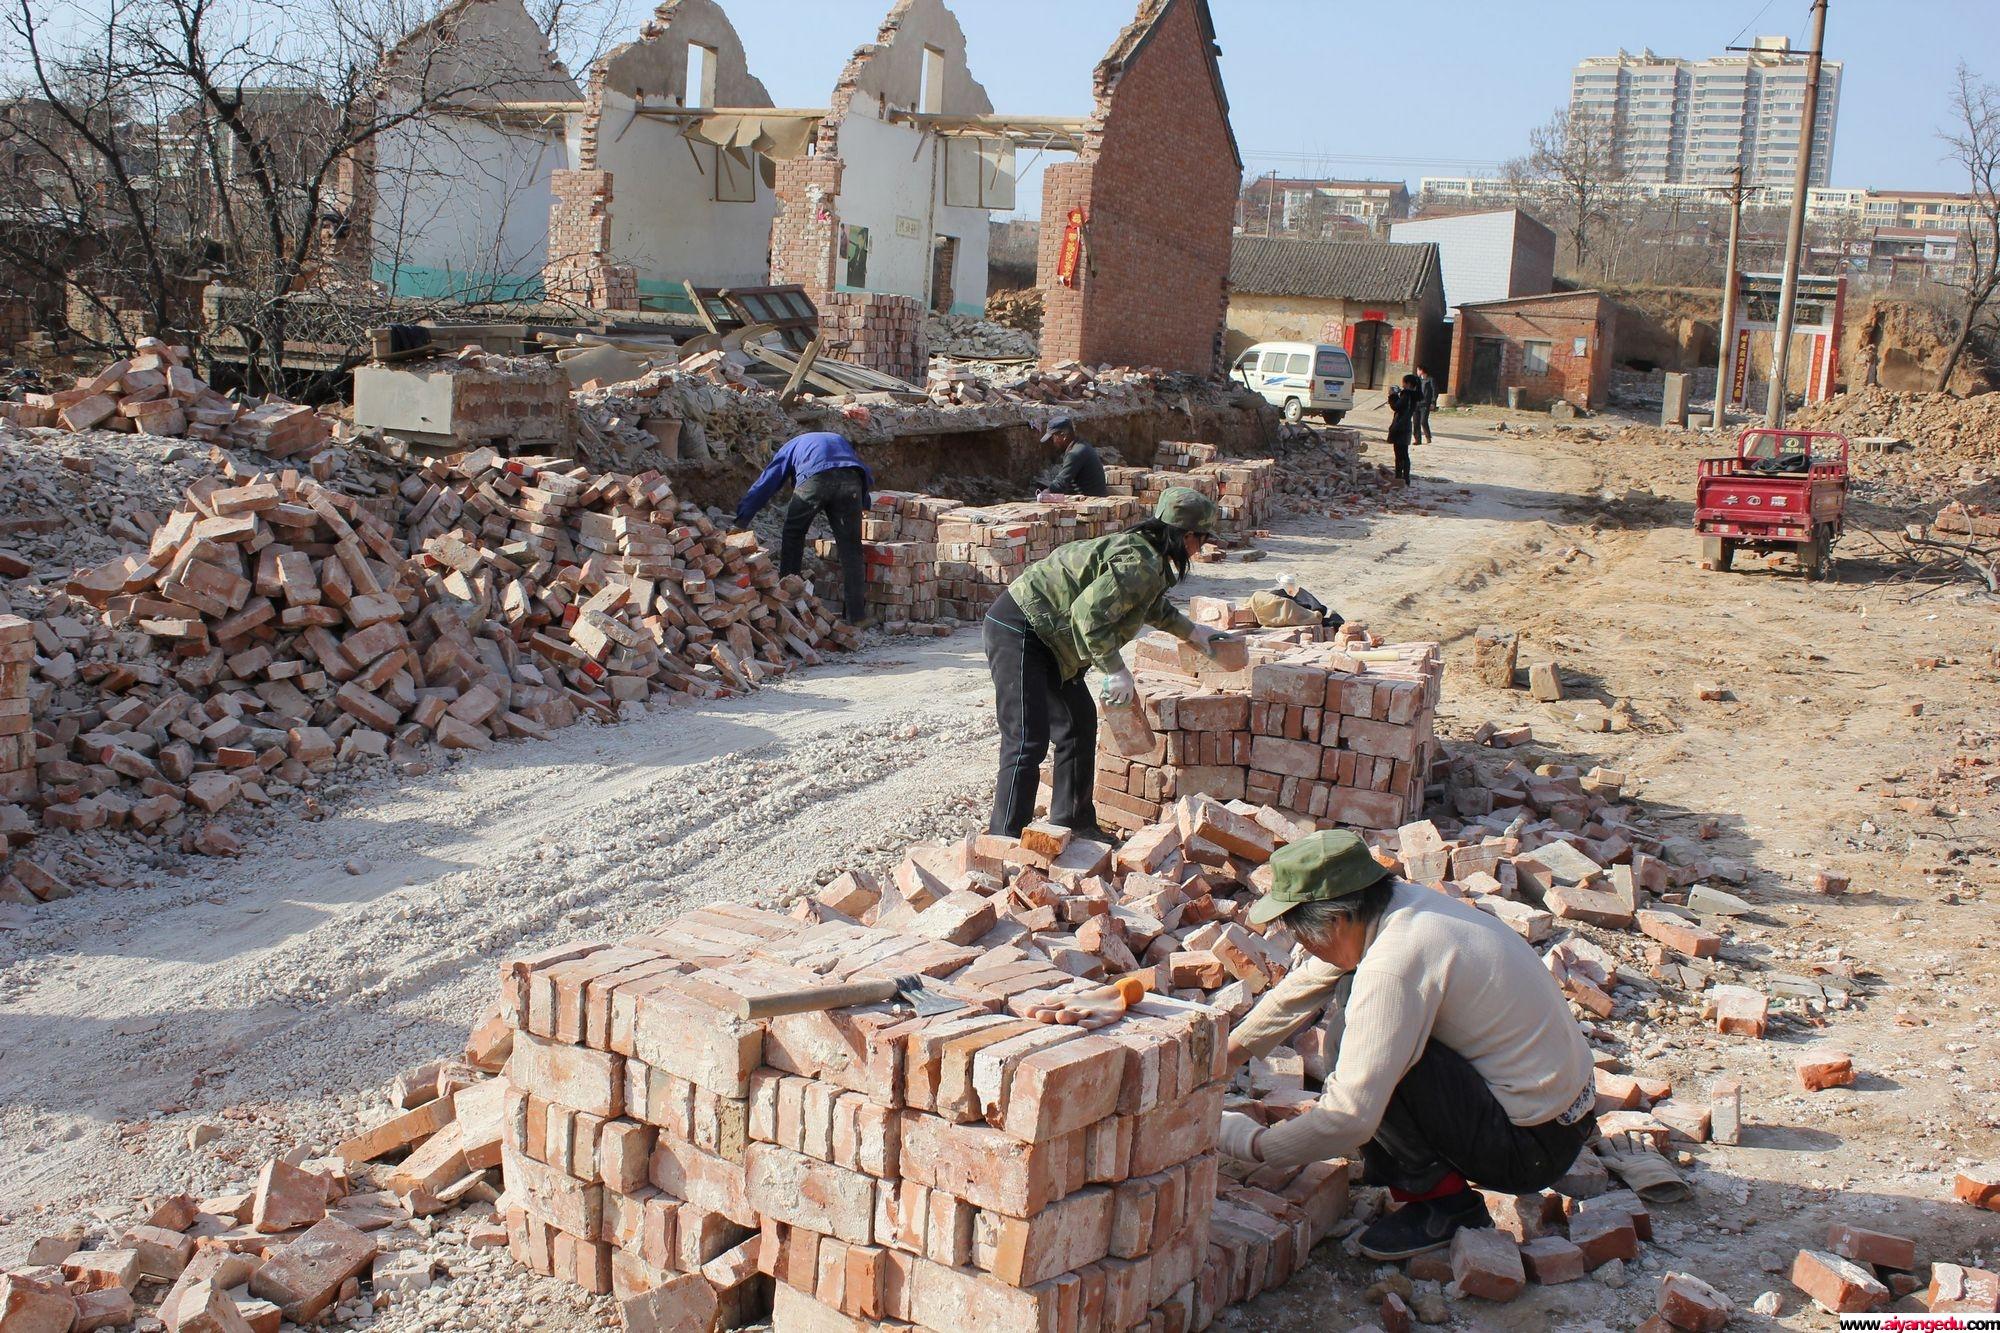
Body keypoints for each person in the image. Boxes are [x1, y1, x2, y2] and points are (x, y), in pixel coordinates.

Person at [1217, 830, 1597, 1261]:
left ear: (1337, 919)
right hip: (1572, 1111)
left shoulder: (1393, 964)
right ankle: (1424, 1169)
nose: (1305, 948)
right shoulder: (1400, 907)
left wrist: (1253, 1145)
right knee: (1353, 1001)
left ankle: (1446, 1207)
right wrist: (1229, 1053)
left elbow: (1350, 1117)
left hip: (1533, 1149)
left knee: (1356, 1040)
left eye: (1304, 936)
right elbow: (1312, 979)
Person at [984, 487, 1232, 838]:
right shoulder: (1140, 561)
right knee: (1027, 738)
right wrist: (1115, 669)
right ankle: (1003, 843)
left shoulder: (1150, 559)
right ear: (1188, 535)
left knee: (1078, 724)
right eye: (1202, 540)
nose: (1201, 548)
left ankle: (1075, 824)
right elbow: (1088, 616)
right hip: (1021, 627)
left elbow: (1148, 605)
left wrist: (1193, 632)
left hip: (1052, 638)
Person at [735, 430, 873, 626]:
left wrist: (742, 520)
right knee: (851, 548)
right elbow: (859, 470)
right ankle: (857, 616)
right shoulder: (839, 440)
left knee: (794, 534)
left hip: (815, 479)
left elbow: (767, 483)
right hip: (851, 482)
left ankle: (788, 602)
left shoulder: (790, 447)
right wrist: (864, 503)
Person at [1040, 415, 1108, 498]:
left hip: (1091, 503)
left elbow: (1060, 484)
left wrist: (1044, 493)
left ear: (1064, 436)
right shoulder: (1082, 446)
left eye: (1053, 437)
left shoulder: (1075, 454)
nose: (1053, 442)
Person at [1386, 374, 1421, 485]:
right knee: (1404, 454)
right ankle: (1405, 478)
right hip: (1406, 426)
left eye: (1404, 383)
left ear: (1408, 384)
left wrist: (1392, 396)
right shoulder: (1414, 396)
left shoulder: (1406, 395)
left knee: (1399, 455)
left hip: (1400, 426)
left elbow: (1396, 407)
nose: (1403, 385)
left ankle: (1399, 477)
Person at [1415, 365, 1439, 444]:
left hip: (1425, 404)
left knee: (1423, 421)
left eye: (1418, 370)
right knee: (1416, 422)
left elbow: (1434, 391)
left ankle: (1428, 436)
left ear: (1422, 370)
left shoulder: (1430, 380)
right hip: (1416, 404)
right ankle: (1417, 440)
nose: (1417, 372)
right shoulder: (1417, 380)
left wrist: (1433, 402)